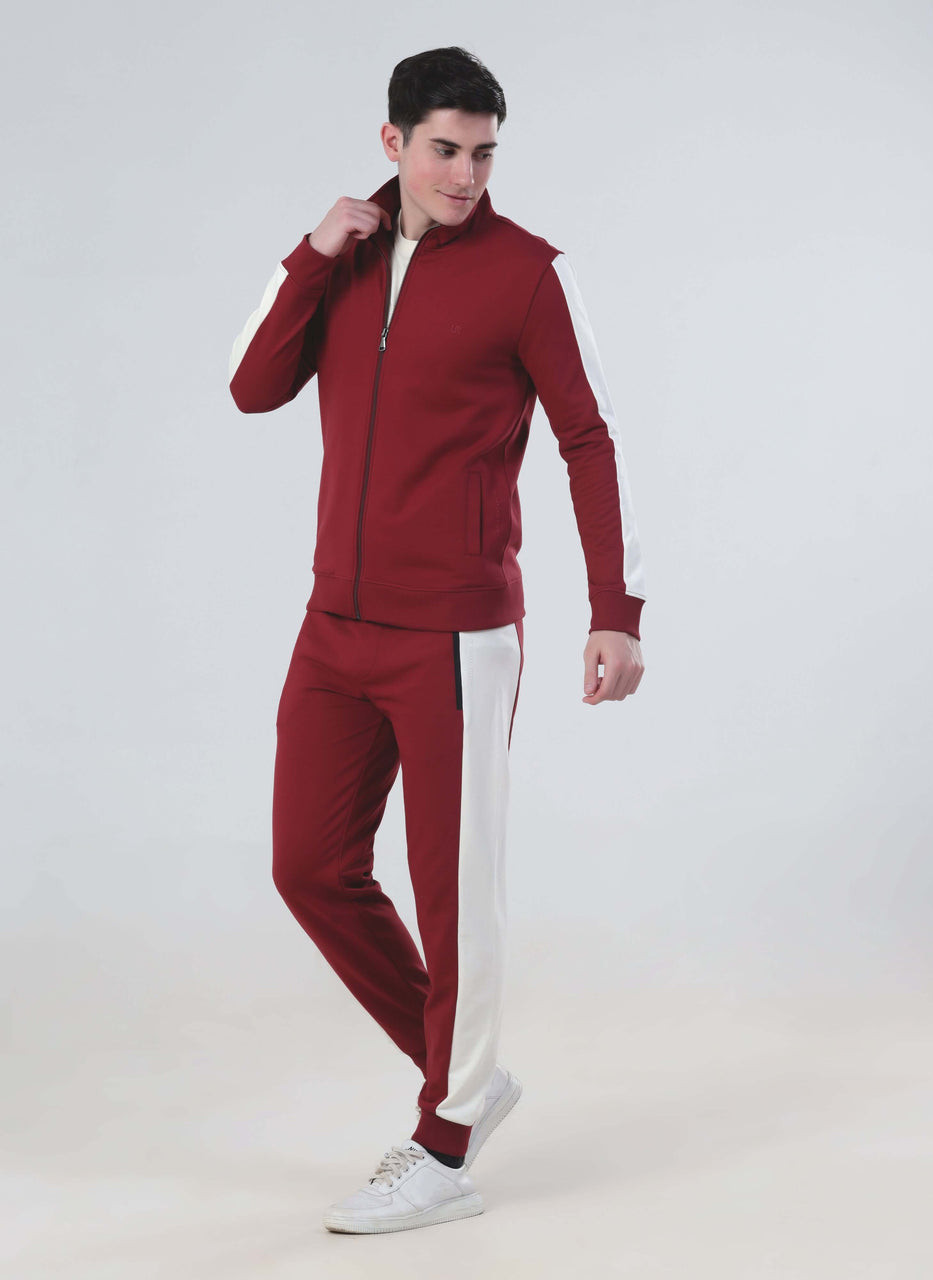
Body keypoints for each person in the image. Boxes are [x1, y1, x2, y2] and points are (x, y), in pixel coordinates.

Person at [228, 45, 647, 1235]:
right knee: (310, 865)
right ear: (394, 143)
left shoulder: (528, 274)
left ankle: (446, 1143)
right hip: (335, 622)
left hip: (458, 631)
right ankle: (464, 1071)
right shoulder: (347, 261)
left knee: (455, 890)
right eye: (445, 151)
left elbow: (589, 438)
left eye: (484, 154)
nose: (466, 175)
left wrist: (614, 609)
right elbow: (253, 386)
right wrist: (310, 255)